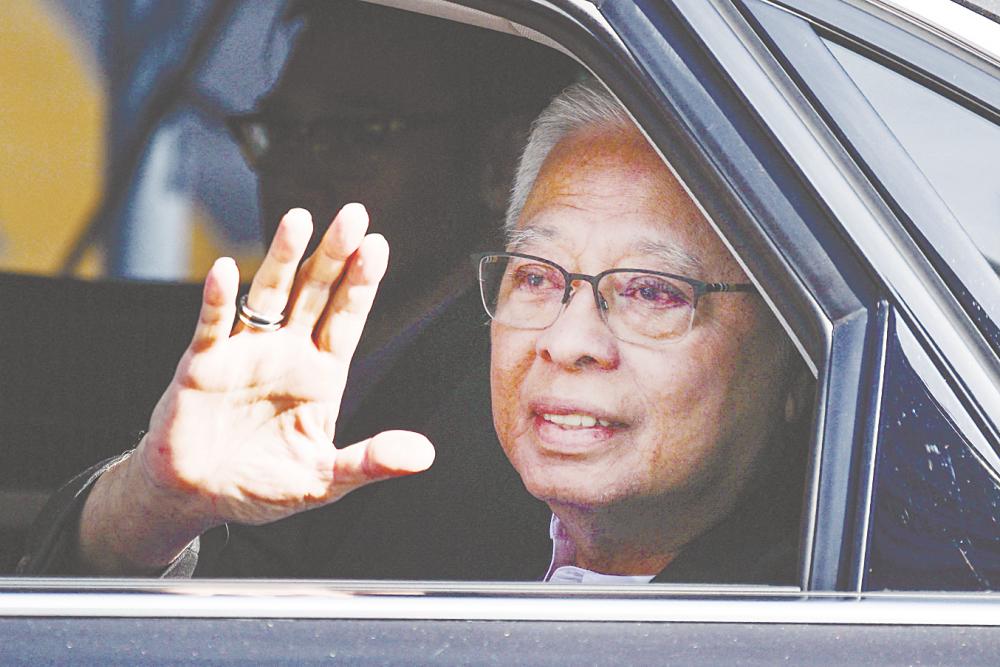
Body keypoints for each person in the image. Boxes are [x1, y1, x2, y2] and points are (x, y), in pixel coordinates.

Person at [19, 79, 810, 583]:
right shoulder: (426, 502)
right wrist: (156, 502)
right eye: (536, 277)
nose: (568, 340)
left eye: (649, 291)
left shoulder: (834, 602)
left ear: (796, 358)